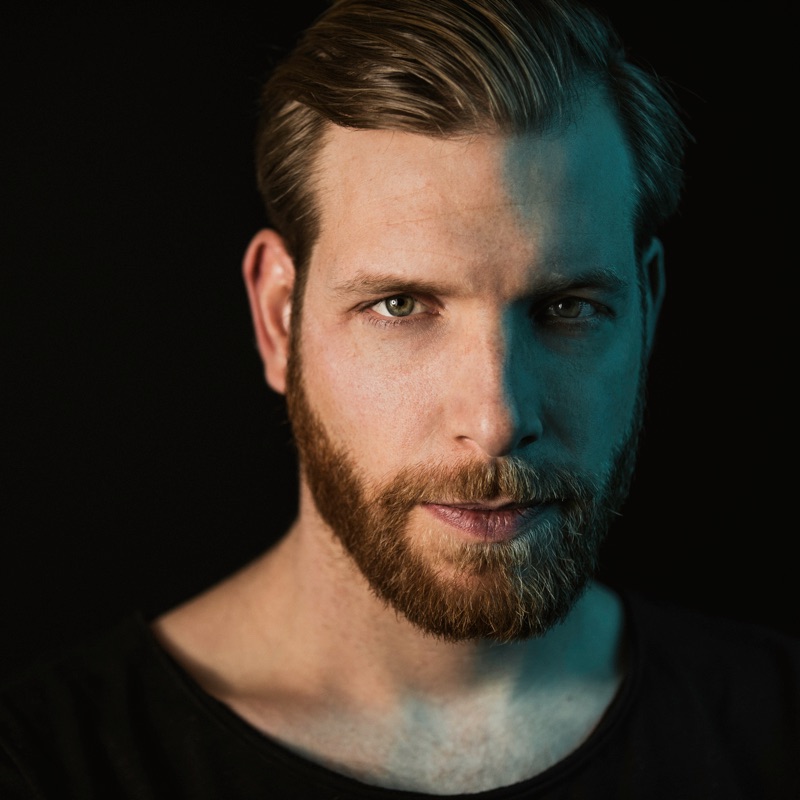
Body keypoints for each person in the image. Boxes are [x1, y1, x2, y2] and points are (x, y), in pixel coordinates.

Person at [1, 0, 797, 797]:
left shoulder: (778, 729)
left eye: (567, 308)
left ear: (648, 308)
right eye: (400, 306)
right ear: (279, 319)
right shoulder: (46, 767)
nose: (496, 420)